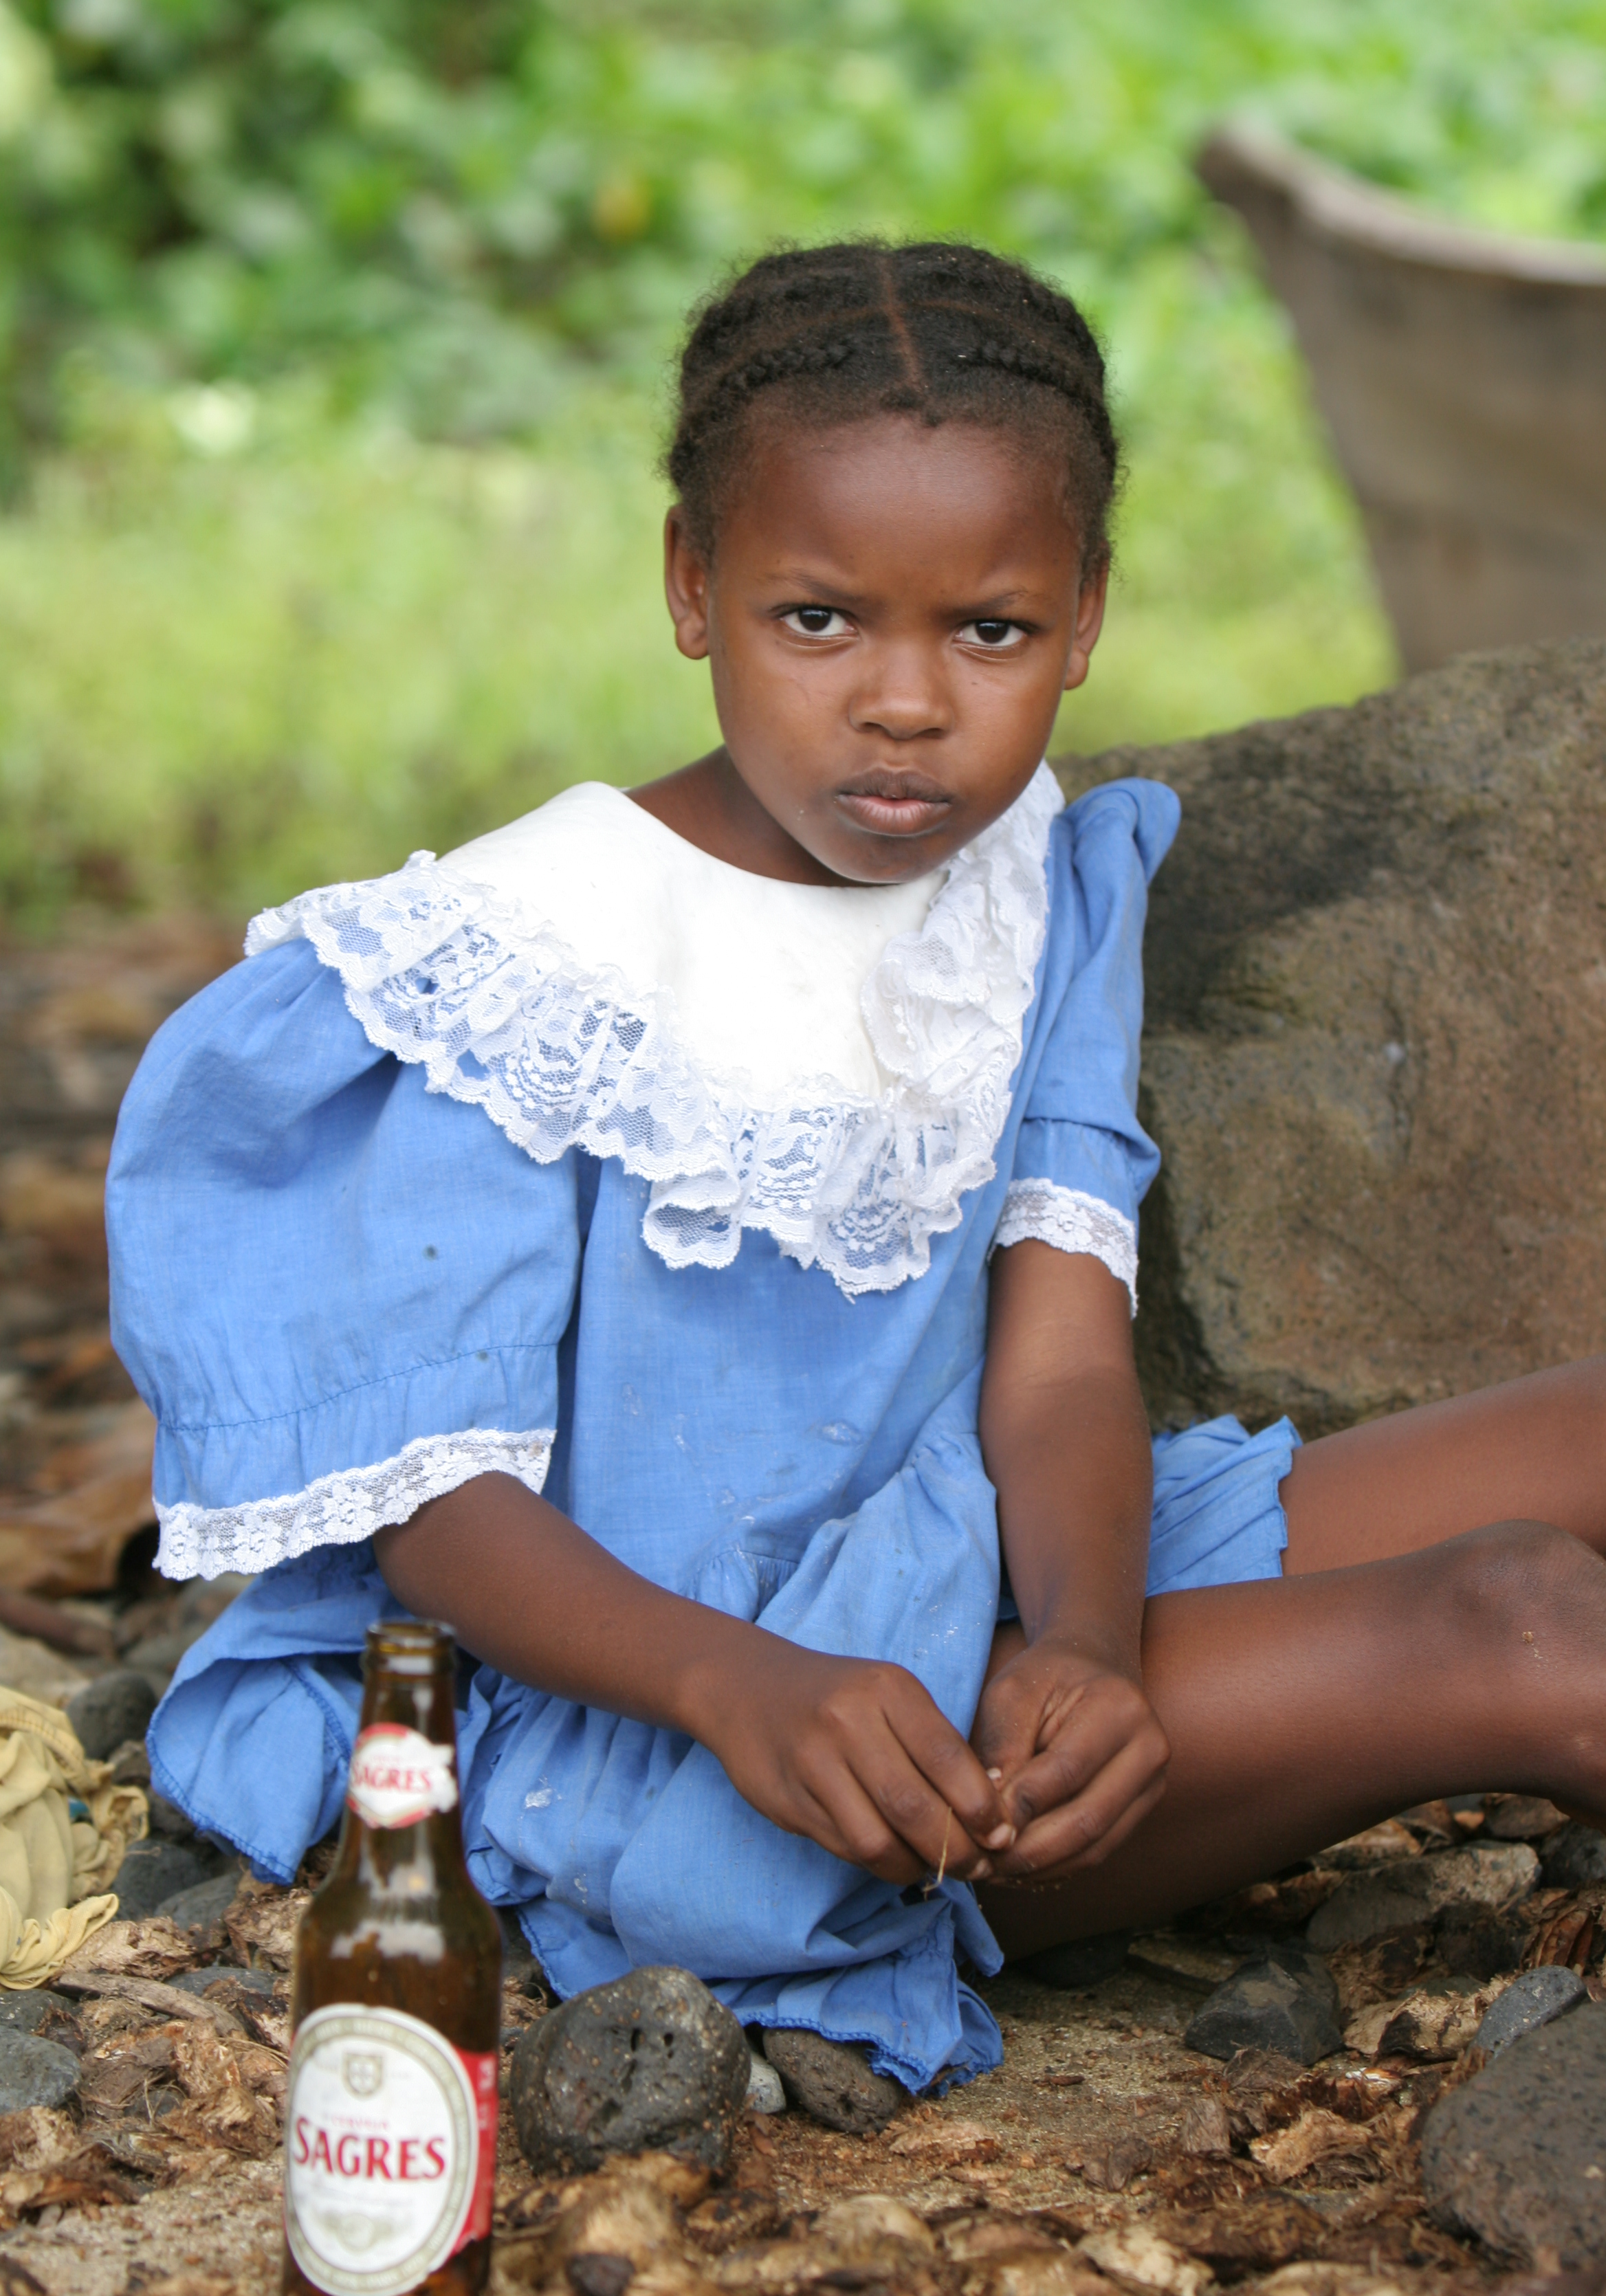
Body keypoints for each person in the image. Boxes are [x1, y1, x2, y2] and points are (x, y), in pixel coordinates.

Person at [107, 240, 1606, 2123]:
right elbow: (442, 1519)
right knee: (1519, 1621)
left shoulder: (1039, 888)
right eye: (819, 622)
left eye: (987, 631)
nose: (906, 705)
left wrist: (1084, 1653)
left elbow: (1059, 1366)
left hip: (986, 1575)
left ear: (1084, 620)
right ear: (691, 586)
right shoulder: (518, 963)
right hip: (669, 1711)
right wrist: (747, 1689)